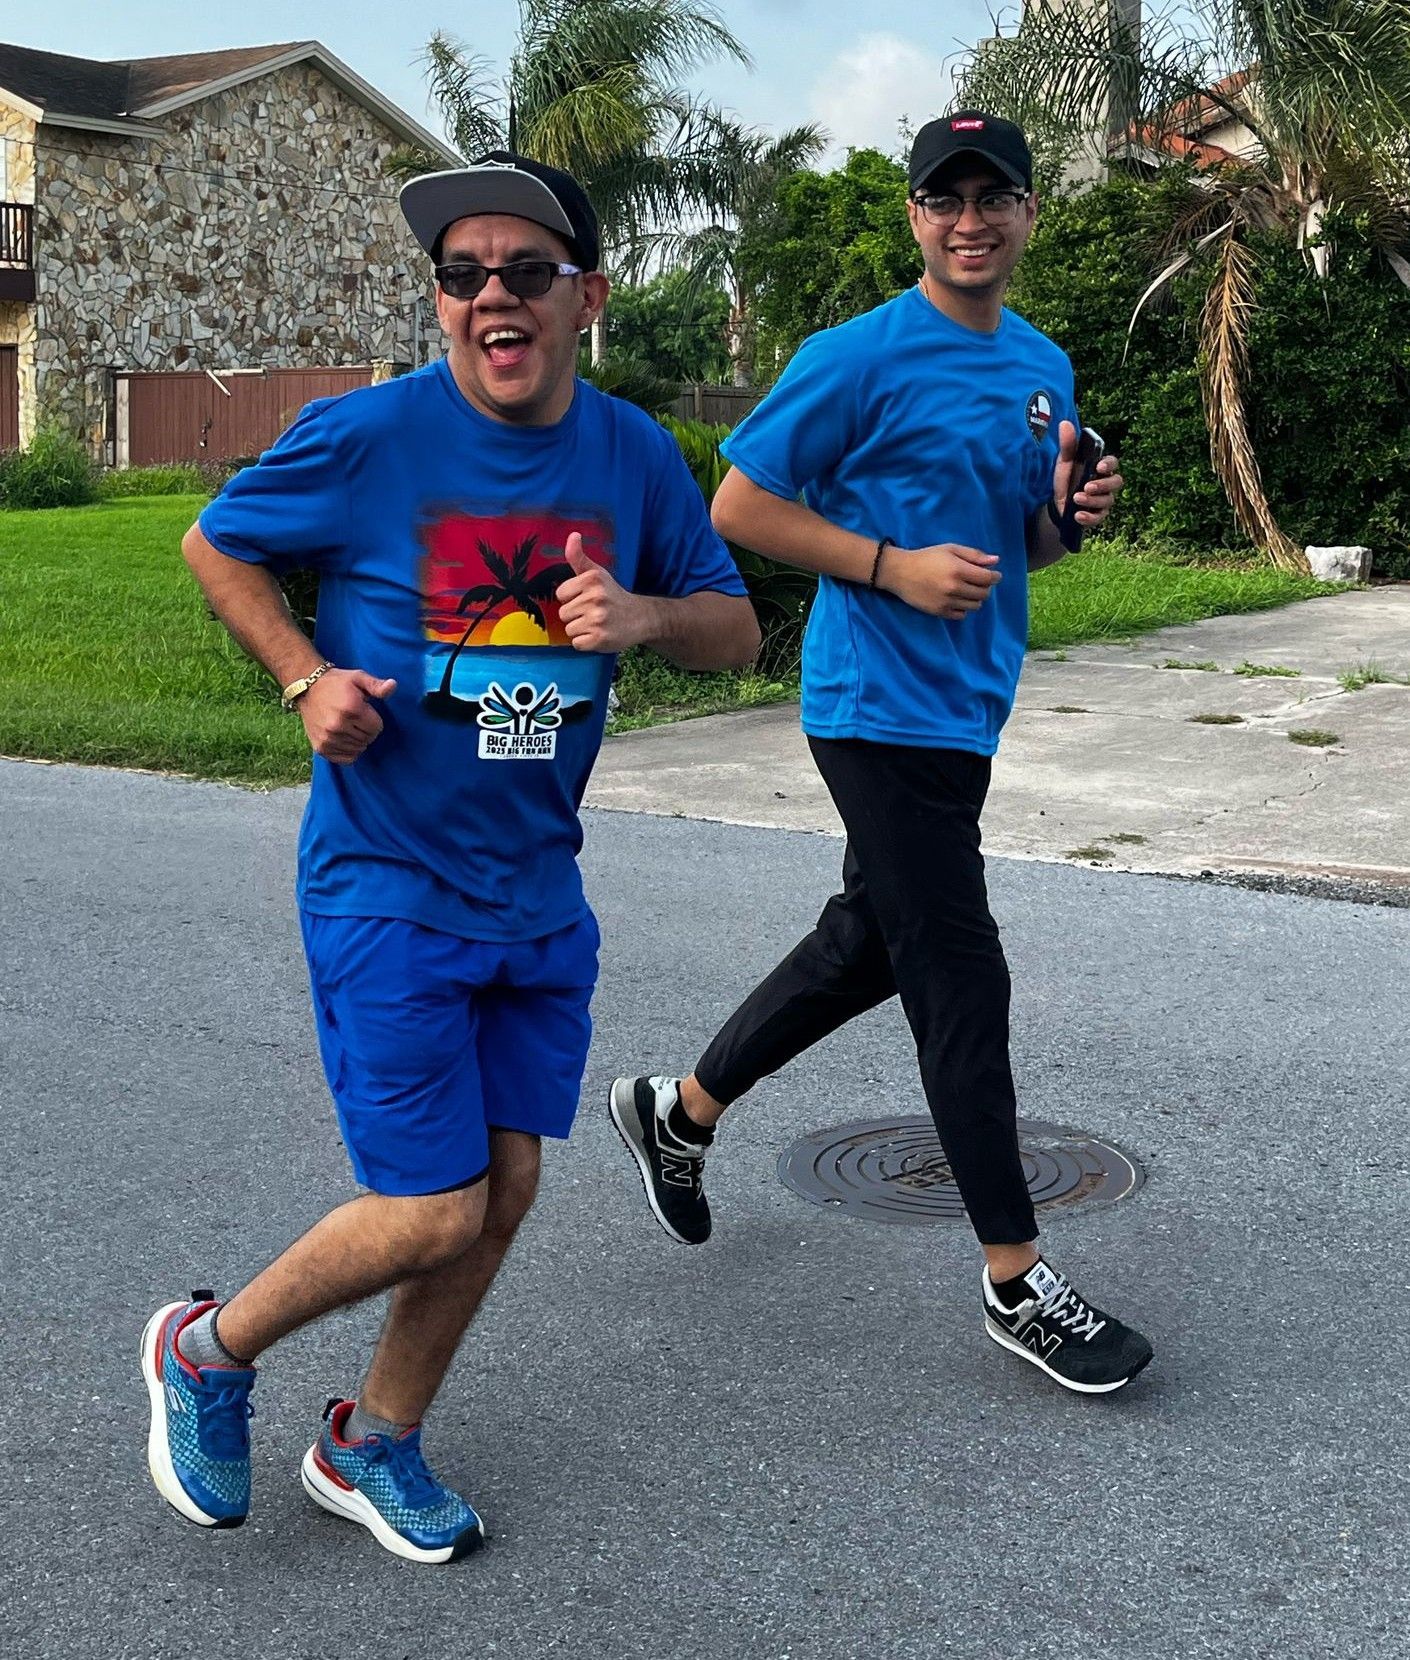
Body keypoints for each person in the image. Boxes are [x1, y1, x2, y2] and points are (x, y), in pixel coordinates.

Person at [141, 152, 759, 1562]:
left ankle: (370, 1442)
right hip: (389, 882)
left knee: (507, 1189)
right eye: (463, 273)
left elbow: (734, 631)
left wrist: (644, 619)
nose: (493, 295)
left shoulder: (634, 454)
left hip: (537, 892)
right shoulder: (368, 436)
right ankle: (206, 1349)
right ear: (440, 301)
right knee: (432, 1206)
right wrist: (305, 677)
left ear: (585, 297)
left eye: (526, 270)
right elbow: (216, 543)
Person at [610, 112, 1153, 1395]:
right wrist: (888, 566)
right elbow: (740, 503)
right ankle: (1016, 1276)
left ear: (1027, 213)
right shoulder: (856, 355)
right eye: (945, 199)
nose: (970, 220)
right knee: (960, 974)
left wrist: (1071, 515)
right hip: (870, 706)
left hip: (967, 705)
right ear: (915, 217)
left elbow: (1025, 541)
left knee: (869, 941)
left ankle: (677, 1112)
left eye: (994, 197)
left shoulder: (1042, 366)